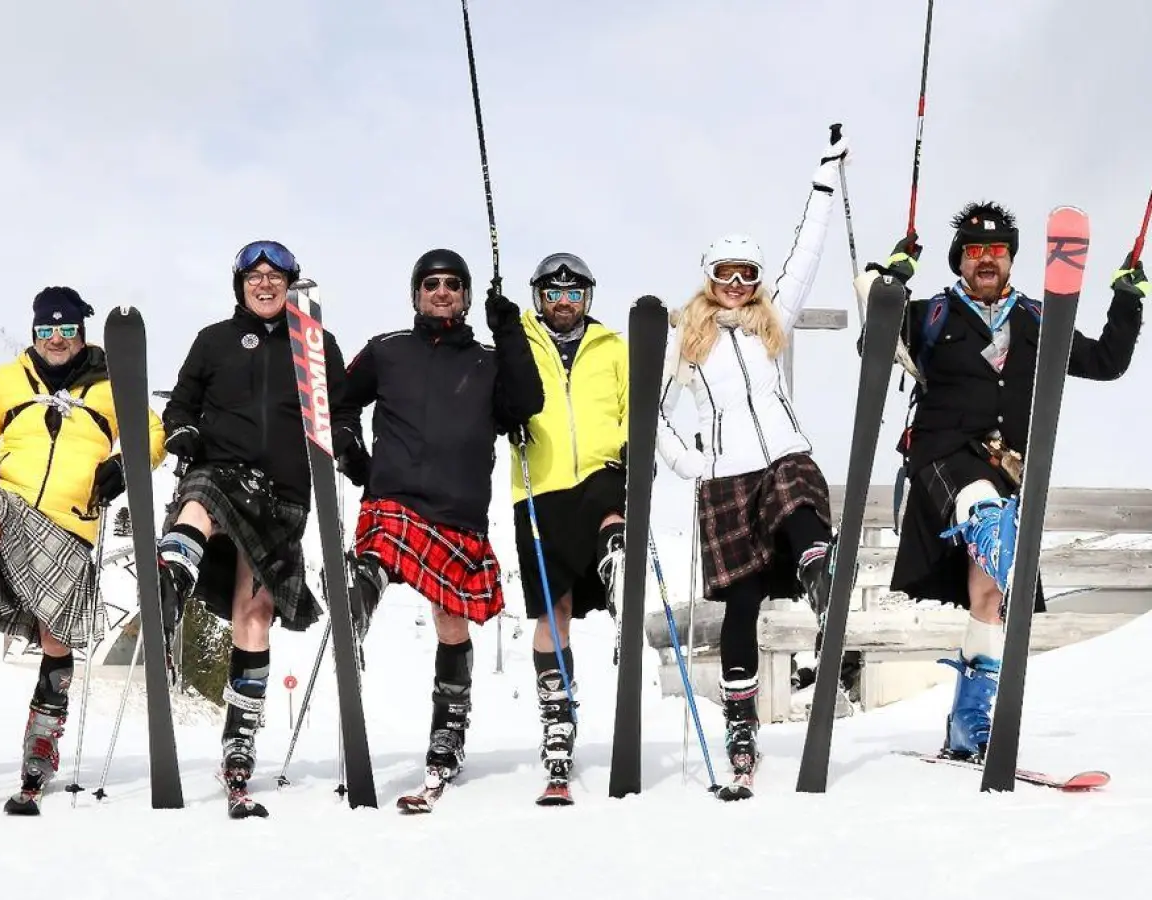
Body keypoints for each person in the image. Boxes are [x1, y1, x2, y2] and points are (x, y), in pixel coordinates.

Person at [879, 201, 1146, 761]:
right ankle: (1003, 547)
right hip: (942, 457)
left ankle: (967, 722)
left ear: (1010, 260)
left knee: (989, 596)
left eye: (996, 251)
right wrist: (889, 287)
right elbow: (874, 348)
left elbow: (1106, 362)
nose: (986, 260)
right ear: (959, 261)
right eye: (975, 252)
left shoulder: (1033, 320)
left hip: (1006, 468)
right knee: (987, 519)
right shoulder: (932, 315)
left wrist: (1127, 301)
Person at [654, 129, 848, 792]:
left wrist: (825, 180)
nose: (736, 286)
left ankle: (822, 577)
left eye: (747, 276)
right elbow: (649, 419)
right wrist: (691, 466)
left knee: (798, 496)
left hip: (781, 459)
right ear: (708, 278)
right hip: (727, 480)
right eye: (724, 275)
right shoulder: (688, 338)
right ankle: (741, 723)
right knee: (742, 603)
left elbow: (806, 256)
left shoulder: (773, 321)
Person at [154, 240, 362, 805]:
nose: (265, 284)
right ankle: (169, 582)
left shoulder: (315, 343)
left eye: (276, 276)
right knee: (200, 499)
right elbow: (182, 403)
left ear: (292, 284)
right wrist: (183, 430)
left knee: (256, 614)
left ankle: (240, 740)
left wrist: (343, 437)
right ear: (240, 285)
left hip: (285, 494)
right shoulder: (214, 339)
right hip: (221, 470)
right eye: (254, 276)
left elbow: (341, 410)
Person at [0, 286, 165, 811]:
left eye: (66, 331)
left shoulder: (112, 386)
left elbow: (151, 431)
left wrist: (125, 463)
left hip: (70, 527)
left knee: (55, 637)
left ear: (80, 334)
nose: (56, 340)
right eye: (46, 331)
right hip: (12, 507)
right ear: (34, 333)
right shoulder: (7, 380)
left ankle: (41, 744)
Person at [338, 249, 543, 783]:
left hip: (459, 509)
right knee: (377, 550)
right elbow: (337, 399)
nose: (442, 291)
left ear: (468, 296)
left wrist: (511, 333)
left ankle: (448, 728)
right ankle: (353, 607)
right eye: (431, 284)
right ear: (415, 294)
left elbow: (525, 405)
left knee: (451, 621)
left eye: (454, 283)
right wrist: (348, 446)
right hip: (395, 495)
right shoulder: (386, 350)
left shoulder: (488, 360)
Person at [507, 252, 629, 792]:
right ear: (539, 297)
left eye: (574, 294)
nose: (563, 302)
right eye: (554, 293)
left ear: (587, 299)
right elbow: (498, 396)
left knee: (608, 503)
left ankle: (618, 566)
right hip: (541, 486)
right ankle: (558, 720)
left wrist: (630, 447)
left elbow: (636, 407)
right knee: (553, 611)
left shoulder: (613, 347)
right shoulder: (518, 340)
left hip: (600, 470)